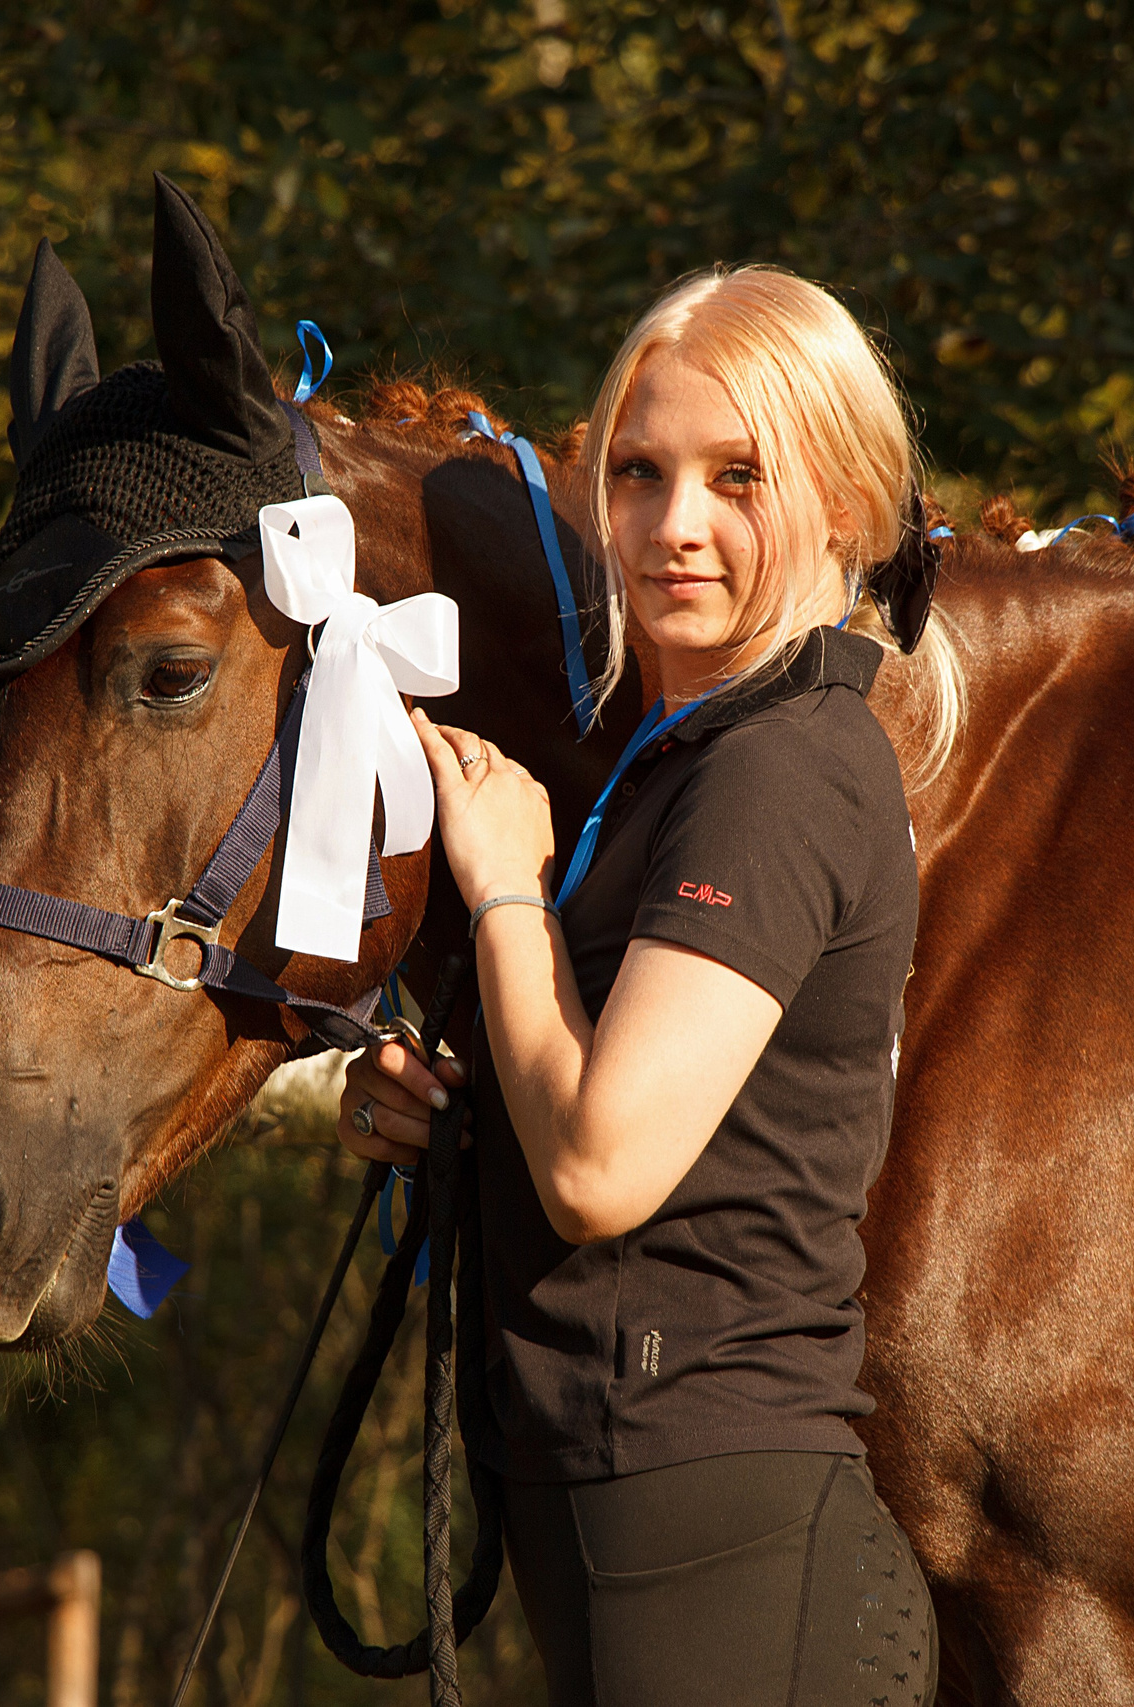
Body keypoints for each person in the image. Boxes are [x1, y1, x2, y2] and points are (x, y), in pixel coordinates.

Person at [335, 265, 952, 1707]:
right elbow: (648, 1130)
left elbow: (603, 1170)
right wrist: (460, 1113)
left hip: (724, 1552)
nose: (675, 523)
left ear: (846, 506)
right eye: (637, 471)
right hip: (665, 1537)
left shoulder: (781, 770)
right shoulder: (694, 760)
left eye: (738, 476)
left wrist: (503, 889)